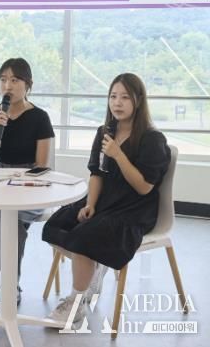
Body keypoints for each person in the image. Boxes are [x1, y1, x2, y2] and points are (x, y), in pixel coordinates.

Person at [42, 73, 170, 324]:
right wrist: (90, 203)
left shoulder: (152, 139)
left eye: (125, 97)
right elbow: (97, 174)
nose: (117, 103)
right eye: (113, 96)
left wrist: (118, 154)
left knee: (84, 237)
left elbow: (144, 187)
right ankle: (93, 267)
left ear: (139, 100)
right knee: (57, 224)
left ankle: (77, 302)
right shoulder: (105, 132)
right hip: (104, 201)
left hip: (133, 209)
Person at [0, 57, 55, 306]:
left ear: (28, 84)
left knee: (13, 222)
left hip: (29, 185)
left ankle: (7, 283)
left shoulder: (40, 117)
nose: (7, 85)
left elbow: (42, 165)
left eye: (15, 80)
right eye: (3, 79)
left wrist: (20, 179)